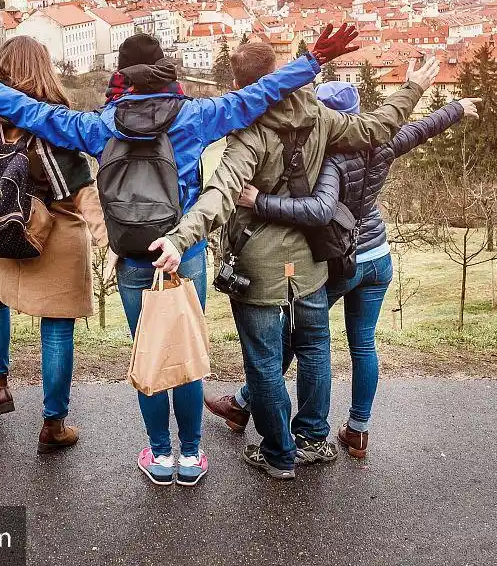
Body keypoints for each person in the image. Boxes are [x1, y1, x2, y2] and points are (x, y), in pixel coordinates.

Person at [0, 19, 361, 487]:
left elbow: (33, 113)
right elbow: (255, 96)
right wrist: (313, 61)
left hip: (134, 257)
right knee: (185, 351)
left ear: (121, 76)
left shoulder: (98, 126)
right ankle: (192, 455)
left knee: (151, 354)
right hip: (184, 252)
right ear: (164, 72)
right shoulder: (194, 117)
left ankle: (160, 455)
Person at [152, 38, 440, 480]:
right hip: (308, 261)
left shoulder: (249, 134)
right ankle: (311, 438)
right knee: (314, 348)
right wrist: (413, 88)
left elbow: (220, 195)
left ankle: (278, 453)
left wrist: (180, 236)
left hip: (258, 265)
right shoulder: (319, 115)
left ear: (239, 85)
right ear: (281, 70)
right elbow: (378, 128)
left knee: (266, 362)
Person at [205, 82, 479, 459]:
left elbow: (317, 210)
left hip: (340, 259)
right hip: (377, 255)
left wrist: (260, 200)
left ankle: (246, 407)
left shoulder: (328, 157)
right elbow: (419, 129)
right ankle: (358, 430)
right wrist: (457, 108)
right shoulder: (381, 143)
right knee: (362, 344)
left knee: (298, 341)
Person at [0, 0, 107, 455]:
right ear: (45, 70)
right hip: (57, 234)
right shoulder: (56, 121)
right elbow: (83, 193)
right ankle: (53, 422)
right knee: (57, 328)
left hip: (2, 220)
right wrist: (115, 245)